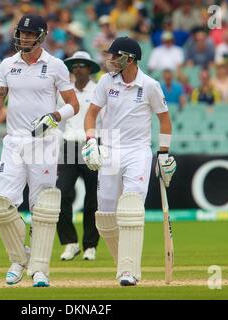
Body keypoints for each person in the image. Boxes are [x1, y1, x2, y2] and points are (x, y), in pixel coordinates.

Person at [0, 14, 79, 287]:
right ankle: (20, 258)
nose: (25, 38)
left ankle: (40, 268)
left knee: (41, 208)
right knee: (2, 206)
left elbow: (73, 104)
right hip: (14, 141)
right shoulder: (7, 64)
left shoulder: (55, 66)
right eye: (22, 33)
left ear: (41, 36)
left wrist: (54, 116)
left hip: (44, 142)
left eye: (30, 34)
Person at [82, 37, 176, 286]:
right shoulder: (106, 81)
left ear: (130, 59)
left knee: (132, 208)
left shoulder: (150, 85)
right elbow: (91, 114)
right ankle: (124, 263)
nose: (110, 60)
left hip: (137, 152)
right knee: (104, 216)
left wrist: (164, 152)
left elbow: (164, 120)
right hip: (110, 150)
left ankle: (129, 271)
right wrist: (91, 140)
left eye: (115, 56)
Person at [56, 51, 101, 261]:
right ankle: (70, 243)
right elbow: (59, 120)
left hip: (91, 144)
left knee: (93, 198)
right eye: (74, 66)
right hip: (69, 145)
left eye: (82, 65)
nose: (77, 69)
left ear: (90, 69)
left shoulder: (99, 90)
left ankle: (90, 245)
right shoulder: (64, 92)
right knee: (61, 195)